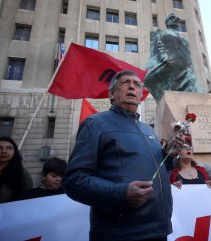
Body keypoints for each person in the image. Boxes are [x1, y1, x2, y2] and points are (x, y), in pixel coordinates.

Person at [62, 70, 175, 241]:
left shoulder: (149, 130)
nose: (132, 87)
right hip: (120, 234)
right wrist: (121, 193)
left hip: (160, 230)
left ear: (140, 95)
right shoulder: (96, 124)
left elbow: (158, 170)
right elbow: (74, 180)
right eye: (125, 83)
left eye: (137, 85)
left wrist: (170, 155)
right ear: (111, 93)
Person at [144, 13, 201, 101]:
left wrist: (190, 66)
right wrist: (164, 57)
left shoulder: (183, 38)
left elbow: (188, 54)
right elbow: (159, 45)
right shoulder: (162, 32)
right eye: (172, 18)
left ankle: (197, 93)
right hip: (170, 61)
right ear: (167, 22)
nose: (175, 20)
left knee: (191, 80)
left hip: (184, 64)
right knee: (173, 82)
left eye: (177, 19)